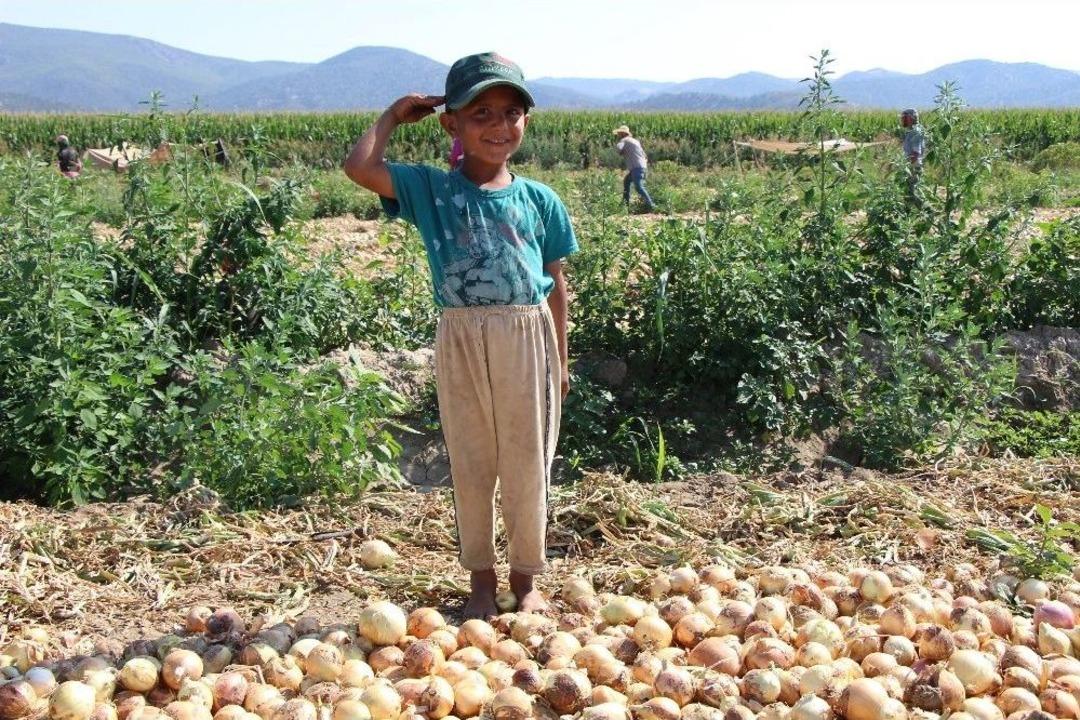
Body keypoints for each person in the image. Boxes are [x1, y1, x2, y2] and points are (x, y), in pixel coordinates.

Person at [342, 52, 577, 619]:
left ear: (525, 120)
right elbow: (359, 166)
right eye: (481, 113)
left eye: (511, 112)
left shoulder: (539, 200)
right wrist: (394, 117)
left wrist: (562, 361)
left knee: (527, 463)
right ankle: (479, 580)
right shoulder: (430, 190)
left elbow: (556, 285)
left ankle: (526, 579)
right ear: (452, 124)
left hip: (528, 336)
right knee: (472, 461)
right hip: (462, 336)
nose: (499, 125)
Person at [613, 124, 655, 212]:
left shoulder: (624, 140)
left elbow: (618, 148)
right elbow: (644, 155)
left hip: (636, 168)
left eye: (619, 133)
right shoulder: (635, 141)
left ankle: (652, 205)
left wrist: (620, 150)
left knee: (639, 187)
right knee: (627, 181)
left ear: (623, 134)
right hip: (642, 166)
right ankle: (625, 204)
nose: (618, 135)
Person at [900, 108, 925, 199]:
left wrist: (908, 166)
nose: (902, 120)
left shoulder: (915, 132)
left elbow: (916, 153)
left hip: (914, 166)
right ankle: (907, 211)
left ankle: (928, 210)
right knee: (908, 192)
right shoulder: (911, 131)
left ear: (910, 118)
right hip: (911, 165)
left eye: (904, 117)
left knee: (913, 192)